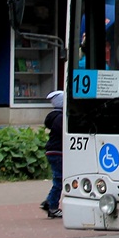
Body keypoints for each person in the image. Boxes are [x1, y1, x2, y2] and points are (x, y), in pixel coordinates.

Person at [41, 89, 64, 218]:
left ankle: (49, 202)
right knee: (59, 179)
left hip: (52, 151)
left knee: (58, 178)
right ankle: (53, 206)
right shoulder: (60, 118)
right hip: (58, 151)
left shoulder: (54, 116)